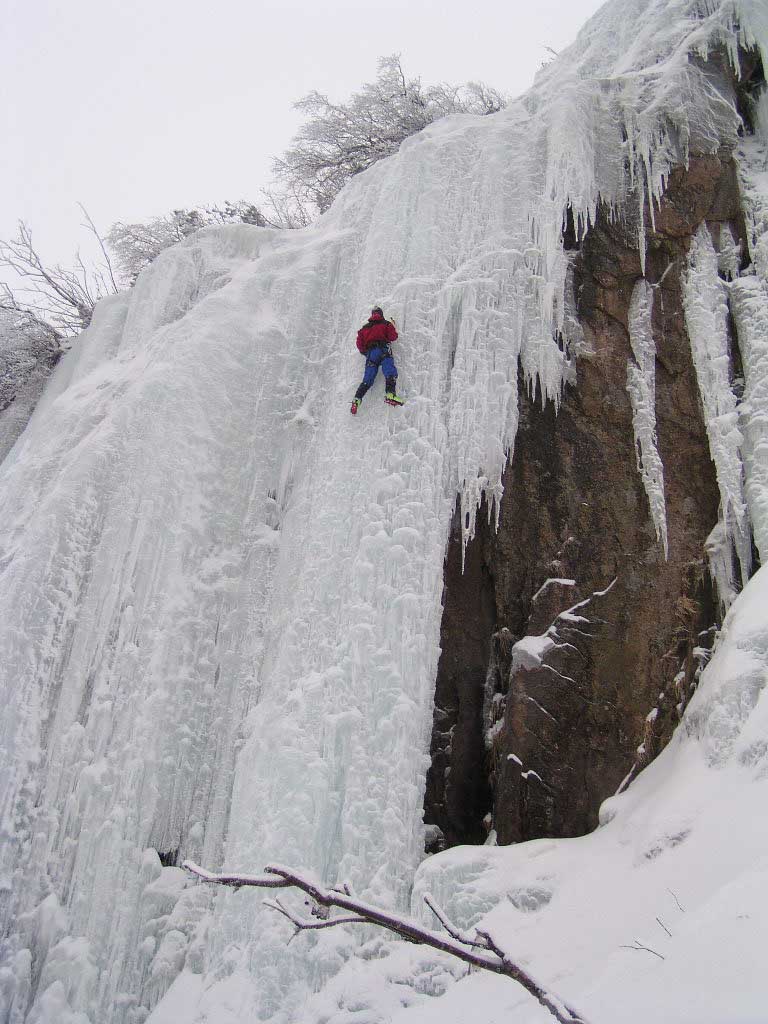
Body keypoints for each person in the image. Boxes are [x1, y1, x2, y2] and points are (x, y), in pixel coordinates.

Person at [350, 307, 404, 414]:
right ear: (381, 314)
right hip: (383, 350)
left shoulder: (364, 329)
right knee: (390, 371)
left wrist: (366, 353)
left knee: (367, 379)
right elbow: (393, 337)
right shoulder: (386, 324)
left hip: (371, 354)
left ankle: (356, 400)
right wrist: (392, 326)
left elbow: (359, 345)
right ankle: (390, 394)